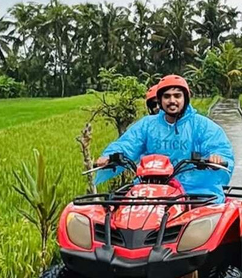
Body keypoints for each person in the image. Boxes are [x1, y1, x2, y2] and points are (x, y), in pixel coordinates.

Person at [95, 75, 234, 202]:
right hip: (152, 187)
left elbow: (218, 147)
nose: (172, 101)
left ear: (185, 99)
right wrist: (109, 157)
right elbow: (128, 144)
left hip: (193, 190)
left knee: (207, 222)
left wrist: (217, 158)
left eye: (177, 96)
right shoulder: (148, 124)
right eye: (167, 96)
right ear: (160, 100)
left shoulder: (202, 125)